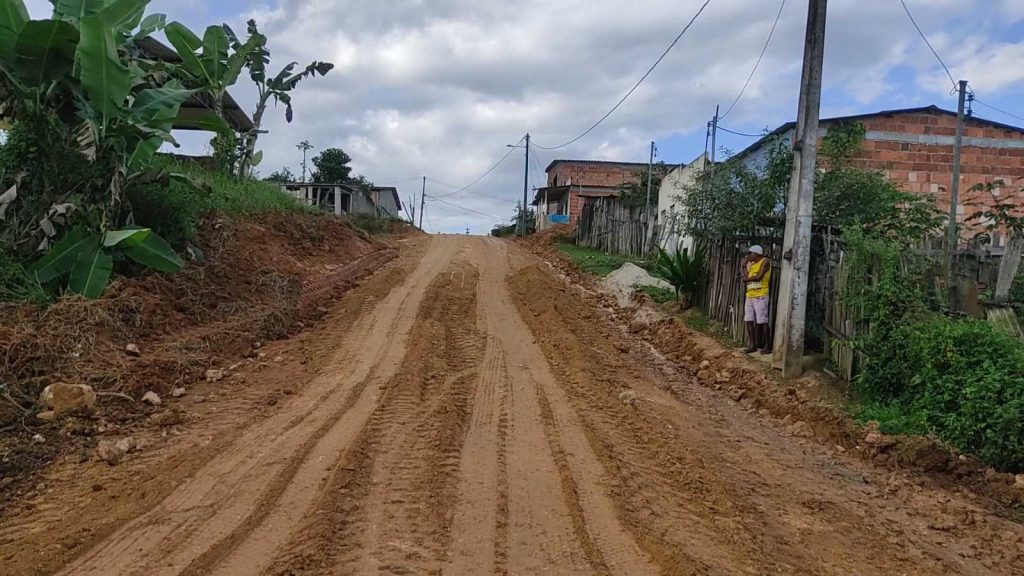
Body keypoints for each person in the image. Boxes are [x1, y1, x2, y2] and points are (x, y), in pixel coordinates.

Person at [740, 245, 772, 354]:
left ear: (756, 253)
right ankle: (752, 345)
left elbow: (759, 277)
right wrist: (743, 266)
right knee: (748, 319)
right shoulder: (752, 265)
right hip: (750, 295)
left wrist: (746, 279)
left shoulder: (765, 261)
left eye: (750, 253)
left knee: (762, 321)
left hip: (761, 295)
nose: (748, 256)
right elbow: (746, 276)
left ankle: (768, 346)